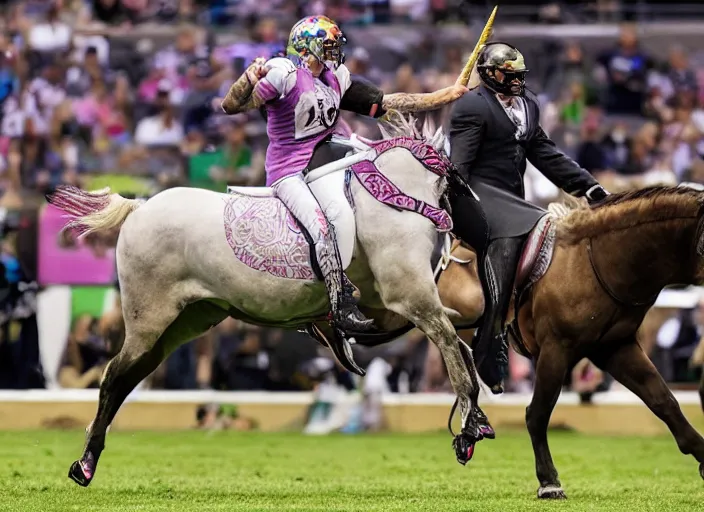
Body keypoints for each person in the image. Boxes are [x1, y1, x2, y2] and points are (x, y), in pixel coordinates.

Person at [217, 15, 467, 333]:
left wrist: (444, 95)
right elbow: (232, 106)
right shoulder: (284, 73)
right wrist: (247, 79)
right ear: (309, 47)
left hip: (328, 160)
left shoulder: (336, 78)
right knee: (323, 226)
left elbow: (389, 102)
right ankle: (338, 304)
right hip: (290, 170)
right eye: (329, 45)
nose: (336, 51)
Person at [447, 42, 609, 394]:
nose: (518, 81)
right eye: (510, 74)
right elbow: (459, 167)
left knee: (541, 229)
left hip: (511, 199)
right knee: (513, 233)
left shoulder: (528, 105)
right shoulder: (471, 107)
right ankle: (490, 342)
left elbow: (545, 154)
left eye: (521, 75)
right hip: (474, 193)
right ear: (490, 75)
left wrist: (589, 187)